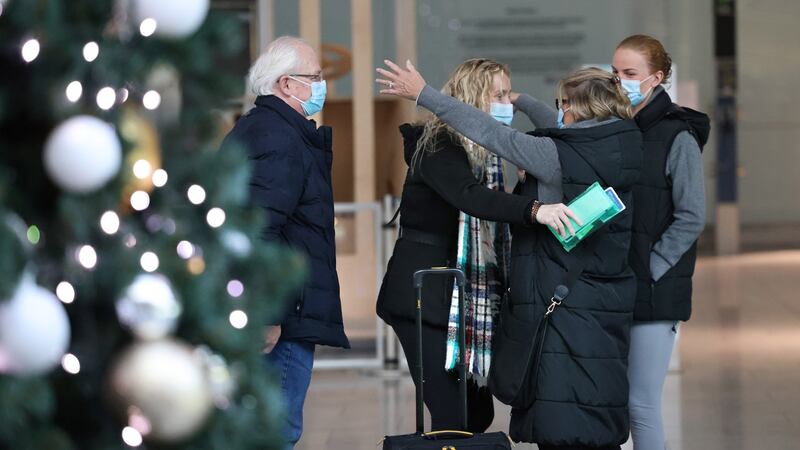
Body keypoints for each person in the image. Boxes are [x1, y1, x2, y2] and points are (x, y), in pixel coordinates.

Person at [377, 62, 642, 449]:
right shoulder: (622, 144)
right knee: (465, 414)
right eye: (498, 95)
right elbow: (470, 195)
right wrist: (532, 207)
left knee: (502, 412)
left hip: (546, 299)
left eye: (563, 104)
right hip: (430, 296)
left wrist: (426, 93)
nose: (507, 104)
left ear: (580, 109)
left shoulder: (554, 154)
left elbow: (495, 134)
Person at [221, 36, 349, 449]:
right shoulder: (278, 138)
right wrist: (268, 313)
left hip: (284, 308)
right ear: (286, 84)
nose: (321, 84)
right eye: (314, 77)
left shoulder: (266, 129)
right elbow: (258, 231)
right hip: (283, 316)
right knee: (276, 432)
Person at [613, 34, 709, 450]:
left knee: (642, 404)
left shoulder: (678, 137)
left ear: (656, 78)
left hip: (653, 288)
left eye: (629, 74)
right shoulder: (615, 129)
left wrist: (651, 267)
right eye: (614, 73)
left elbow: (691, 217)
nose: (619, 81)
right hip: (615, 284)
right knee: (618, 403)